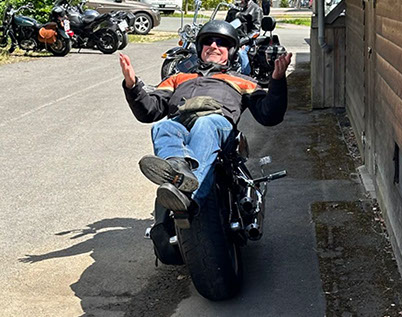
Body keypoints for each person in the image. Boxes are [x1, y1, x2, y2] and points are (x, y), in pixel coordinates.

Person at [119, 20, 292, 215]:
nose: (214, 46)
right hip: (182, 124)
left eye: (222, 43)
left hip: (218, 126)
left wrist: (277, 81)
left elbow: (269, 115)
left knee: (205, 123)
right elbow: (150, 111)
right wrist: (132, 86)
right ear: (200, 48)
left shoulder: (243, 81)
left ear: (231, 51)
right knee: (163, 127)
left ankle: (189, 196)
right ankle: (177, 168)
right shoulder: (178, 78)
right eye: (208, 41)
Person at [225, 0, 263, 75]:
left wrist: (243, 41)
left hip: (248, 41)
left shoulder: (255, 9)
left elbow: (256, 30)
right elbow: (226, 24)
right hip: (233, 39)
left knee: (241, 52)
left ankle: (246, 74)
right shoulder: (233, 9)